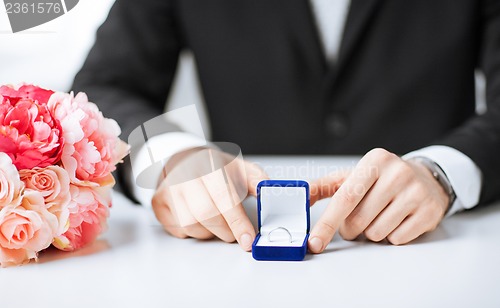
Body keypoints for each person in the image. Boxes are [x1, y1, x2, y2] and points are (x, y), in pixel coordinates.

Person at [72, 0, 500, 254]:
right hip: (230, 266)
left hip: (439, 251)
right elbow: (105, 85)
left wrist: (443, 173)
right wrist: (169, 157)